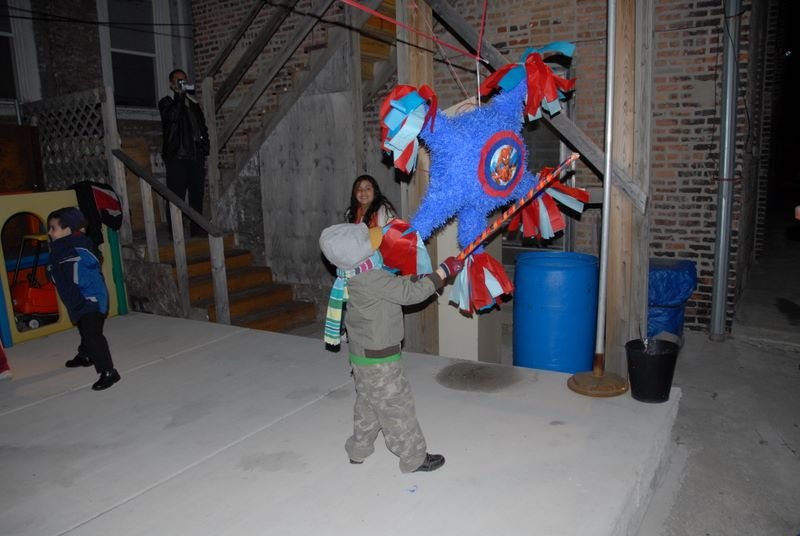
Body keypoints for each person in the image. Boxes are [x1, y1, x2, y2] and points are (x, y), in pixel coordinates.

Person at [319, 222, 463, 473]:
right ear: (362, 254)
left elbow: (397, 286)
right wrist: (441, 274)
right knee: (397, 407)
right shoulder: (373, 278)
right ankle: (413, 458)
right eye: (372, 244)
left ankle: (358, 450)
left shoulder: (350, 276)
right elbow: (409, 294)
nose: (377, 247)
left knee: (368, 404)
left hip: (361, 357)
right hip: (381, 360)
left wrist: (420, 278)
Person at [47, 207, 120, 391]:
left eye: (53, 228)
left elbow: (94, 258)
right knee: (84, 328)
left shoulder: (79, 245)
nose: (50, 232)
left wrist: (78, 241)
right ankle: (86, 355)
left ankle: (109, 372)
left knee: (92, 333)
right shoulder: (58, 249)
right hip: (76, 299)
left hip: (91, 296)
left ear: (68, 229)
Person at [158, 68, 210, 237]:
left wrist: (205, 146)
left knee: (197, 195)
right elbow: (172, 117)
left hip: (196, 155)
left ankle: (197, 228)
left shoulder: (193, 103)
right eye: (179, 81)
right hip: (178, 156)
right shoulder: (166, 102)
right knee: (175, 196)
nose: (183, 84)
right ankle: (175, 231)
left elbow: (201, 126)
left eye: (185, 81)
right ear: (171, 84)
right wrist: (180, 96)